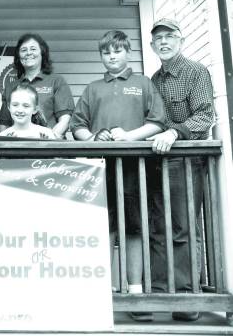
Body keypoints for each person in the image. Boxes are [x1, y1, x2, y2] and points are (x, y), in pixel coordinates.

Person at [70, 30, 165, 322]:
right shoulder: (93, 88)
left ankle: (135, 292)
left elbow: (158, 122)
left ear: (128, 53)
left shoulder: (143, 84)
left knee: (134, 228)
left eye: (117, 51)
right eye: (106, 52)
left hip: (135, 167)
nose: (111, 56)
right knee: (103, 228)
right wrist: (93, 138)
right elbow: (78, 126)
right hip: (101, 166)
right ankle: (102, 291)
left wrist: (130, 137)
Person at [146, 18, 214, 322]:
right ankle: (162, 292)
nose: (164, 42)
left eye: (169, 36)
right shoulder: (153, 79)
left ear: (180, 40)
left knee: (184, 227)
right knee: (158, 228)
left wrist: (175, 133)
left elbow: (205, 117)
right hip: (156, 160)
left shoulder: (195, 72)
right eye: (158, 38)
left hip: (184, 160)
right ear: (151, 45)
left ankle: (187, 296)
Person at [0, 33, 74, 138]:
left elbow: (65, 119)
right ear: (18, 56)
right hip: (18, 148)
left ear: (42, 53)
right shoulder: (11, 86)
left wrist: (48, 140)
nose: (28, 53)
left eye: (33, 49)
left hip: (49, 146)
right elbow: (4, 123)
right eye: (23, 50)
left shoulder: (57, 81)